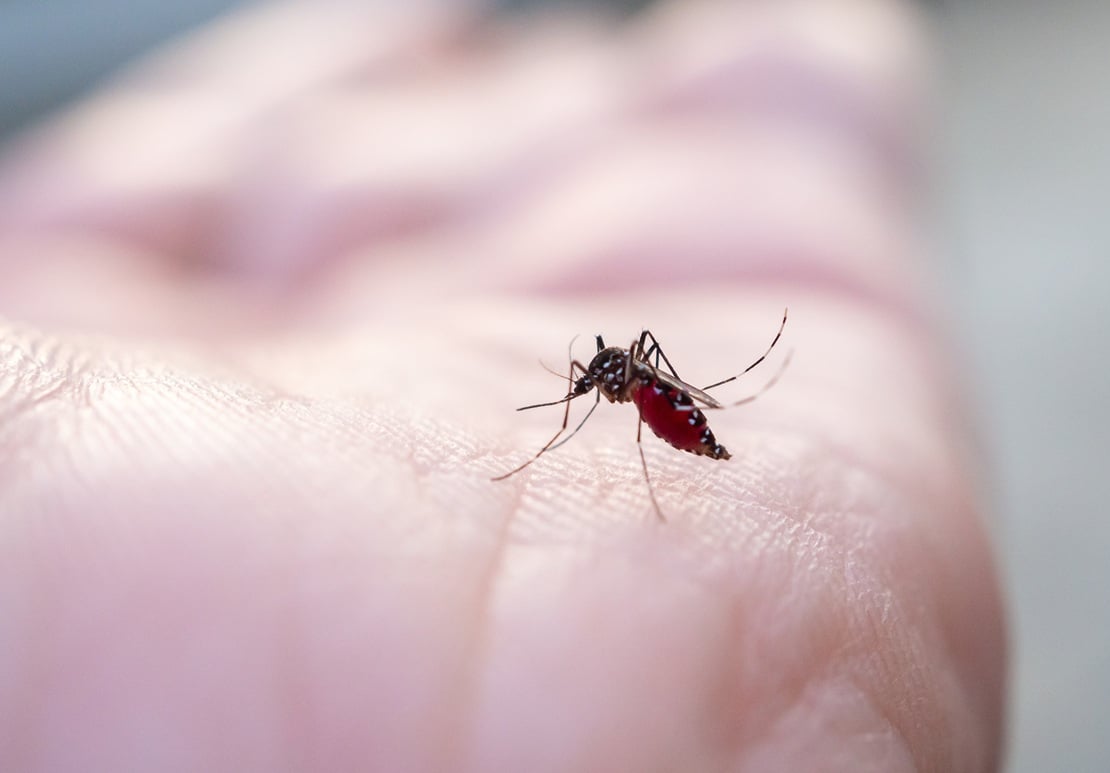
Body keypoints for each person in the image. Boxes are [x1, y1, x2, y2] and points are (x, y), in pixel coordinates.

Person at [0, 1, 1005, 770]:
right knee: (626, 365)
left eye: (589, 384)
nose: (587, 386)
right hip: (664, 406)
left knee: (635, 365)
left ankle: (711, 404)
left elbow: (620, 374)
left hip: (679, 406)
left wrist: (661, 405)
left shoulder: (625, 383)